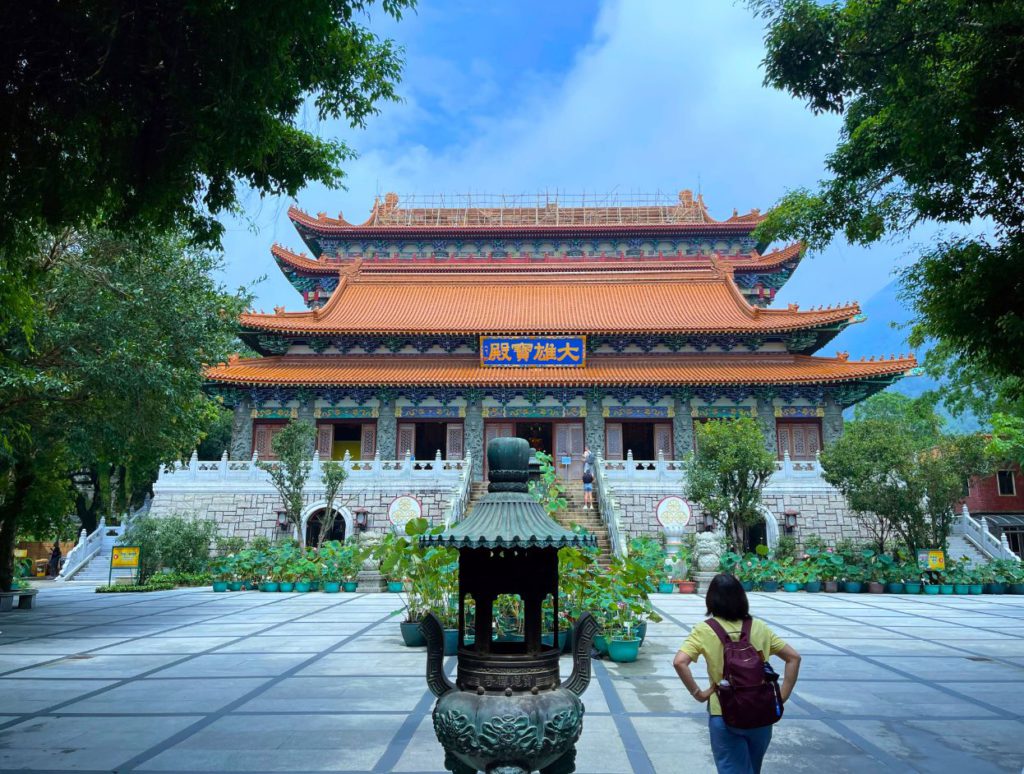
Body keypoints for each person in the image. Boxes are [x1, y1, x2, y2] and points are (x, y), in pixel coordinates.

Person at [673, 574, 801, 774]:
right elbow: (793, 658)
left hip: (724, 712)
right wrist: (782, 695)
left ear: (711, 599)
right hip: (761, 710)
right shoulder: (759, 627)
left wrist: (699, 694)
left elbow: (680, 662)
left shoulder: (704, 630)